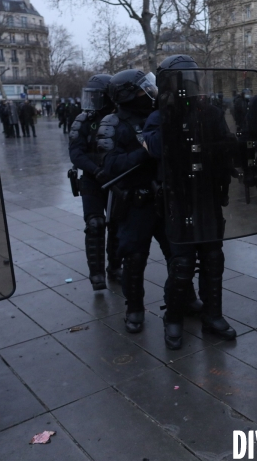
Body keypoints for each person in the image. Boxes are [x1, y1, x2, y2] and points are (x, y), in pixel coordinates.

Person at [142, 55, 236, 350]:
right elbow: (156, 149)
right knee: (181, 264)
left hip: (206, 195)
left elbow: (225, 148)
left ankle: (213, 314)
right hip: (177, 198)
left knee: (213, 259)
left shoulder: (209, 111)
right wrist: (171, 116)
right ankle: (173, 318)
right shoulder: (159, 115)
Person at [95, 69, 172, 333]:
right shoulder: (112, 123)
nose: (149, 93)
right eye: (143, 89)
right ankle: (134, 308)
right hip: (135, 204)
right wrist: (144, 152)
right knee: (135, 259)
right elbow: (110, 165)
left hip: (163, 199)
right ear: (128, 95)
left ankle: (181, 299)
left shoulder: (158, 117)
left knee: (177, 255)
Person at [69, 74, 122, 290]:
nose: (91, 101)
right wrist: (95, 170)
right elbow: (75, 153)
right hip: (92, 180)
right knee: (95, 224)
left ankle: (115, 266)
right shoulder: (83, 121)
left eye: (96, 97)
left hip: (116, 179)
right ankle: (97, 273)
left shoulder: (120, 119)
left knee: (117, 226)